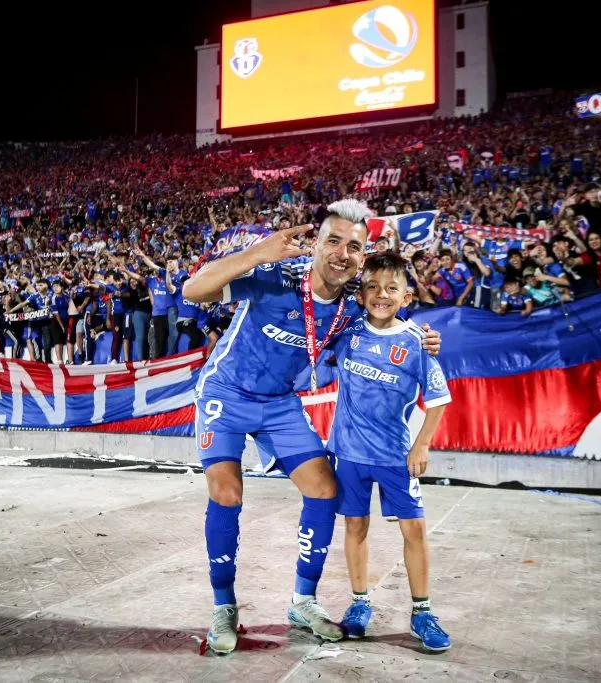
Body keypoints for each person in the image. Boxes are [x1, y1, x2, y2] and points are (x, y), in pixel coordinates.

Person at [182, 199, 440, 655]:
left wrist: (421, 335)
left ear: (363, 256)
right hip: (226, 393)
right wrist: (256, 254)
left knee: (325, 490)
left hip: (280, 403)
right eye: (334, 240)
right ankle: (224, 605)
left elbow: (387, 319)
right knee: (227, 492)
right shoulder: (276, 277)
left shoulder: (351, 307)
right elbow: (192, 291)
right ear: (315, 244)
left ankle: (303, 601)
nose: (342, 253)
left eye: (354, 246)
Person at [327, 251, 453, 651]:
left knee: (414, 529)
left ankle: (422, 612)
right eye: (373, 287)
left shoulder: (418, 341)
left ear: (406, 296)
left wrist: (422, 444)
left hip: (396, 456)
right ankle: (360, 603)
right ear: (361, 294)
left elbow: (439, 399)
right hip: (348, 452)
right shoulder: (347, 331)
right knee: (354, 526)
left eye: (391, 288)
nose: (381, 294)